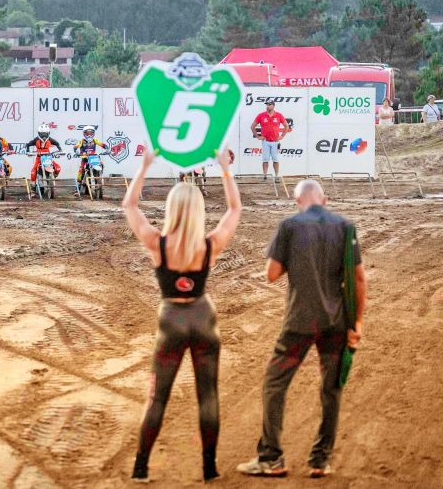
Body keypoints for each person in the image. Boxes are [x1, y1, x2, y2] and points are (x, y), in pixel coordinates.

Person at [123, 147, 242, 483]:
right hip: (204, 318)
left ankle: (141, 467)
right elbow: (234, 208)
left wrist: (144, 167)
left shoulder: (157, 243)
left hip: (171, 319)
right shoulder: (209, 245)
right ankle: (209, 468)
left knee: (157, 397)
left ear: (171, 209)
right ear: (199, 211)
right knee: (209, 397)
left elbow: (129, 206)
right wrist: (224, 169)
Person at [236, 180, 367, 479]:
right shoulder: (346, 227)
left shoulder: (290, 226)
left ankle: (271, 458)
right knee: (331, 389)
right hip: (335, 323)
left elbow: (272, 274)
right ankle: (321, 460)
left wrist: (293, 258)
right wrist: (357, 323)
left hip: (299, 323)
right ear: (324, 200)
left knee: (274, 384)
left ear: (297, 201)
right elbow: (359, 279)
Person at [251, 99, 290, 182]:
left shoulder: (279, 115)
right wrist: (258, 136)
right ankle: (265, 176)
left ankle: (276, 176)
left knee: (276, 159)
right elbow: (252, 126)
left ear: (273, 106)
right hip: (265, 141)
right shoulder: (261, 115)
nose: (267, 106)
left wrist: (282, 136)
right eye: (267, 105)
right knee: (265, 159)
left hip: (275, 142)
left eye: (269, 105)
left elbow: (286, 126)